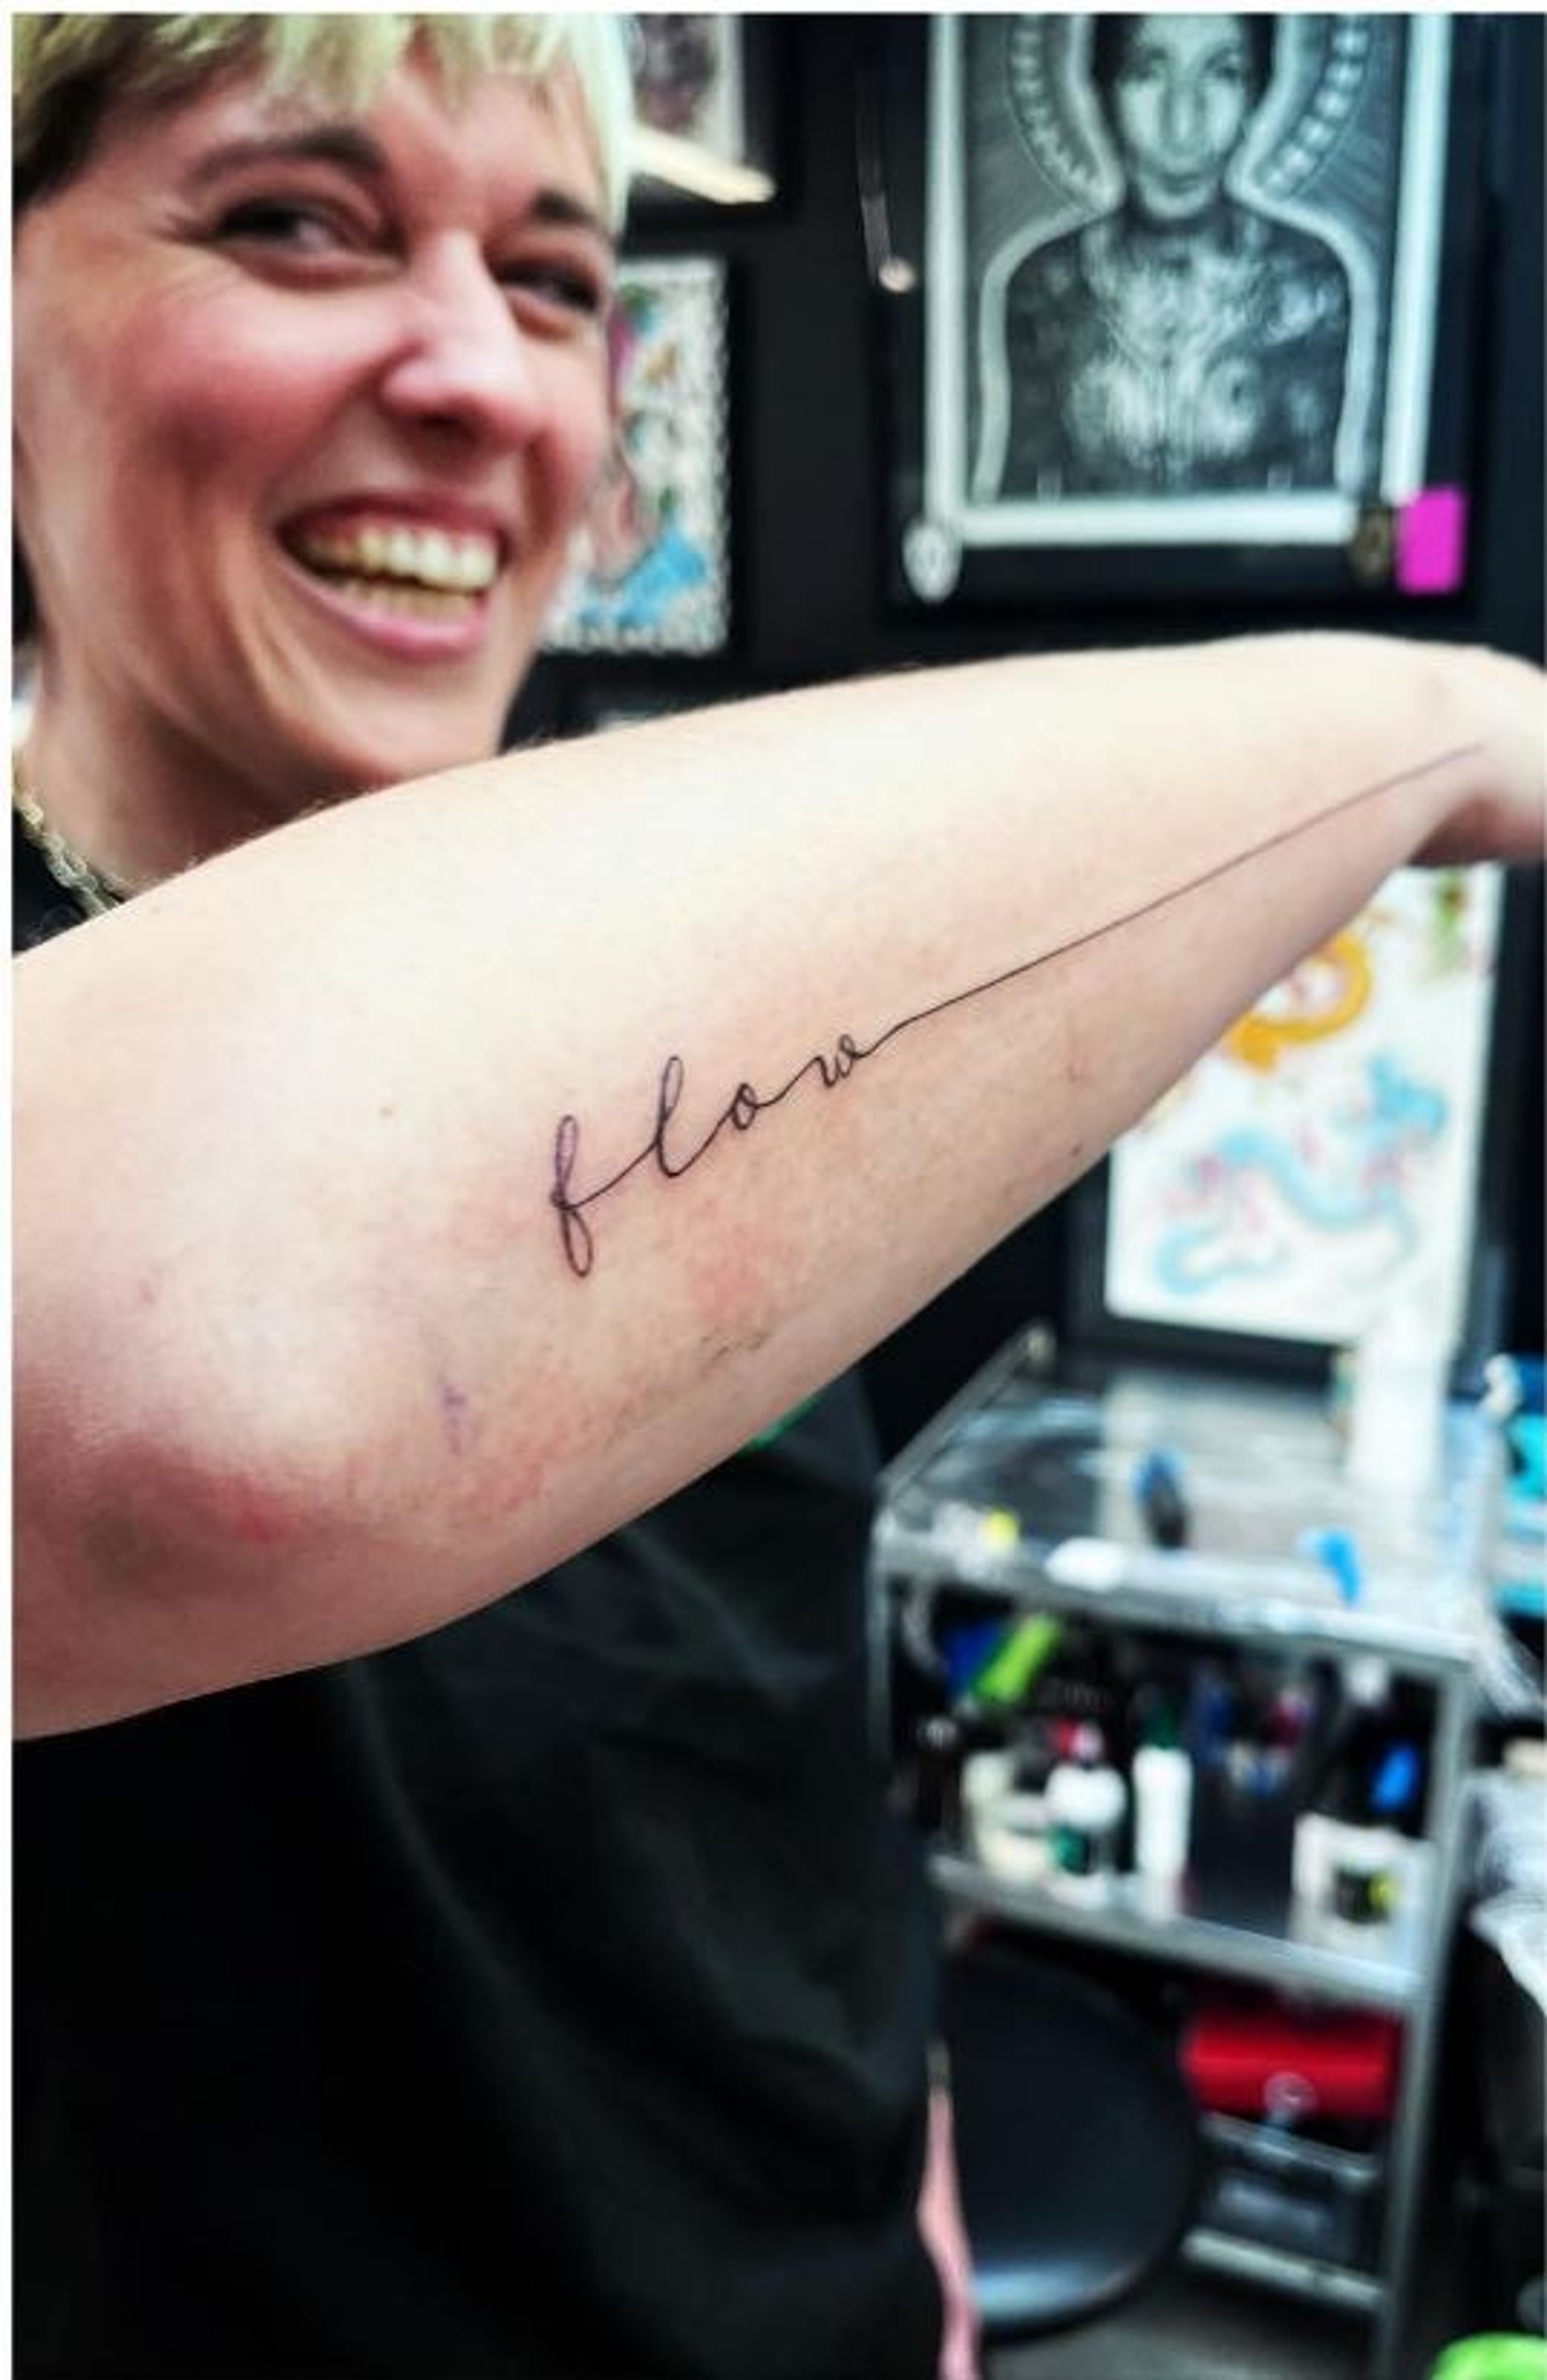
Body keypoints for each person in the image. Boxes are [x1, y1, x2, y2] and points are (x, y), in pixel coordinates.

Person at [10, 14, 1542, 2380]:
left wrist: (906, 2153)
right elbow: (215, 1364)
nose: (475, 377)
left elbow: (777, 1725)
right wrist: (1435, 719)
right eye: (290, 222)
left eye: (548, 277)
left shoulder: (678, 959)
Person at [976, 14, 1353, 501]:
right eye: (1147, 72)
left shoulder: (1309, 284)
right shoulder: (1048, 285)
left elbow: (1346, 520)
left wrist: (1424, 558)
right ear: (1102, 91)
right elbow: (1016, 509)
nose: (1183, 121)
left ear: (1259, 93)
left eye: (1223, 73)